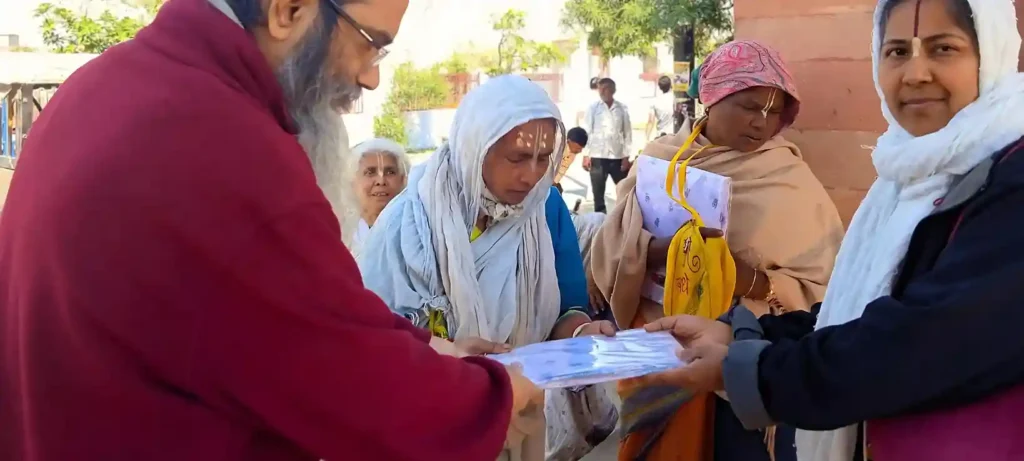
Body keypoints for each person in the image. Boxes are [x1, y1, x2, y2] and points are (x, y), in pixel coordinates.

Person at [0, 0, 543, 460]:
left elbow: (300, 312)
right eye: (369, 44)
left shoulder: (104, 83)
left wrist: (432, 351)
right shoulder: (226, 148)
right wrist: (494, 396)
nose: (371, 76)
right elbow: (350, 385)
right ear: (287, 11)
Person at [646, 1, 1024, 460]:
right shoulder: (905, 173)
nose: (916, 73)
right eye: (897, 51)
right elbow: (857, 311)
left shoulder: (1010, 177)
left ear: (994, 52)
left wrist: (750, 367)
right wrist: (748, 337)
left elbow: (921, 342)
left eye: (944, 49)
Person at [587, 40, 844, 461]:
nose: (762, 122)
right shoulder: (661, 159)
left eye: (774, 111)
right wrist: (660, 252)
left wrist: (747, 279)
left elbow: (822, 285)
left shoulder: (789, 180)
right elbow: (613, 241)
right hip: (655, 345)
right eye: (748, 105)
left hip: (738, 356)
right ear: (712, 97)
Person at [358, 75, 617, 461]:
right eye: (517, 158)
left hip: (519, 416)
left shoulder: (543, 209)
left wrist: (581, 331)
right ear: (474, 148)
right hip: (428, 427)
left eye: (544, 158)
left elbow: (565, 308)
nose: (532, 175)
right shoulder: (408, 225)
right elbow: (371, 344)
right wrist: (447, 356)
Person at [349, 137, 410, 254]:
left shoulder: (417, 230)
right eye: (370, 172)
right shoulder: (342, 233)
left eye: (390, 172)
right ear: (352, 181)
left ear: (403, 179)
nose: (381, 181)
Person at [582, 78, 632, 213]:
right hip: (597, 156)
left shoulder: (621, 109)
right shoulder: (593, 108)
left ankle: (624, 217)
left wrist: (626, 157)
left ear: (613, 90)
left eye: (606, 88)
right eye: (600, 88)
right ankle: (600, 221)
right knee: (598, 194)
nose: (602, 91)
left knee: (625, 190)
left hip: (617, 156)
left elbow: (627, 133)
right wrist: (586, 155)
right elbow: (587, 131)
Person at [553, 126, 588, 193]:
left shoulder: (572, 153)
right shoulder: (556, 145)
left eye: (581, 148)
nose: (580, 151)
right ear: (569, 141)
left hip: (550, 179)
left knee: (557, 190)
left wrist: (554, 182)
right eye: (578, 148)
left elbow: (563, 168)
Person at [646, 75, 675, 141]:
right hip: (673, 135)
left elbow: (650, 121)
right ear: (670, 85)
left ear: (659, 87)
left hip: (660, 135)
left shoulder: (655, 101)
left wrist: (647, 138)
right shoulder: (674, 98)